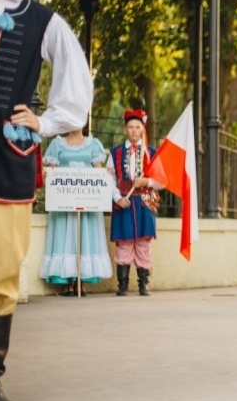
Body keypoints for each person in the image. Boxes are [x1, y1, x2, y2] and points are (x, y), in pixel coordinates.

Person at [0, 0, 93, 401]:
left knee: (3, 267)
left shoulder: (42, 20)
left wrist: (45, 120)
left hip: (7, 152)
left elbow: (74, 81)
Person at [39, 128, 112, 296]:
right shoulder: (57, 144)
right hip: (64, 201)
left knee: (83, 236)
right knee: (65, 236)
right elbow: (51, 172)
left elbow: (99, 170)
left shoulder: (94, 144)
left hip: (87, 200)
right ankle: (65, 281)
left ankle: (80, 279)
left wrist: (106, 175)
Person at [107, 108, 160, 297]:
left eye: (137, 127)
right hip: (125, 202)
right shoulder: (115, 153)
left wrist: (146, 181)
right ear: (125, 129)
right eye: (130, 127)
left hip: (144, 202)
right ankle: (122, 284)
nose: (134, 130)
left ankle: (143, 284)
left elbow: (161, 181)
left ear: (142, 129)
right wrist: (117, 198)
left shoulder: (151, 153)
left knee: (143, 243)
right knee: (124, 242)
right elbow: (109, 180)